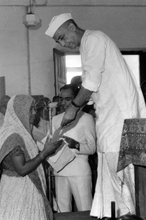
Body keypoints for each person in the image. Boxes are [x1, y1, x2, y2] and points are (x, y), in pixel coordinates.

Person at [45, 13, 146, 218]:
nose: (64, 43)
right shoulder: (88, 45)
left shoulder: (94, 39)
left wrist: (73, 108)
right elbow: (94, 87)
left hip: (120, 117)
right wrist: (79, 106)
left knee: (122, 168)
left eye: (63, 37)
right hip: (113, 116)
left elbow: (90, 83)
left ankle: (128, 213)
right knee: (113, 168)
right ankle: (119, 213)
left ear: (72, 26)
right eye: (59, 41)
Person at [0, 94, 63, 220]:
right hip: (19, 190)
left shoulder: (16, 129)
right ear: (19, 111)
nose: (34, 113)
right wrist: (44, 153)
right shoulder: (14, 136)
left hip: (14, 186)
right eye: (31, 109)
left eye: (35, 109)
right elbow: (22, 169)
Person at [51, 84, 96, 212]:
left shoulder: (86, 118)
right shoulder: (55, 120)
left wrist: (76, 145)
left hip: (79, 172)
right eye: (61, 99)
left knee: (84, 210)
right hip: (60, 172)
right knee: (62, 211)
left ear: (76, 99)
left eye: (68, 99)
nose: (64, 103)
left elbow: (92, 148)